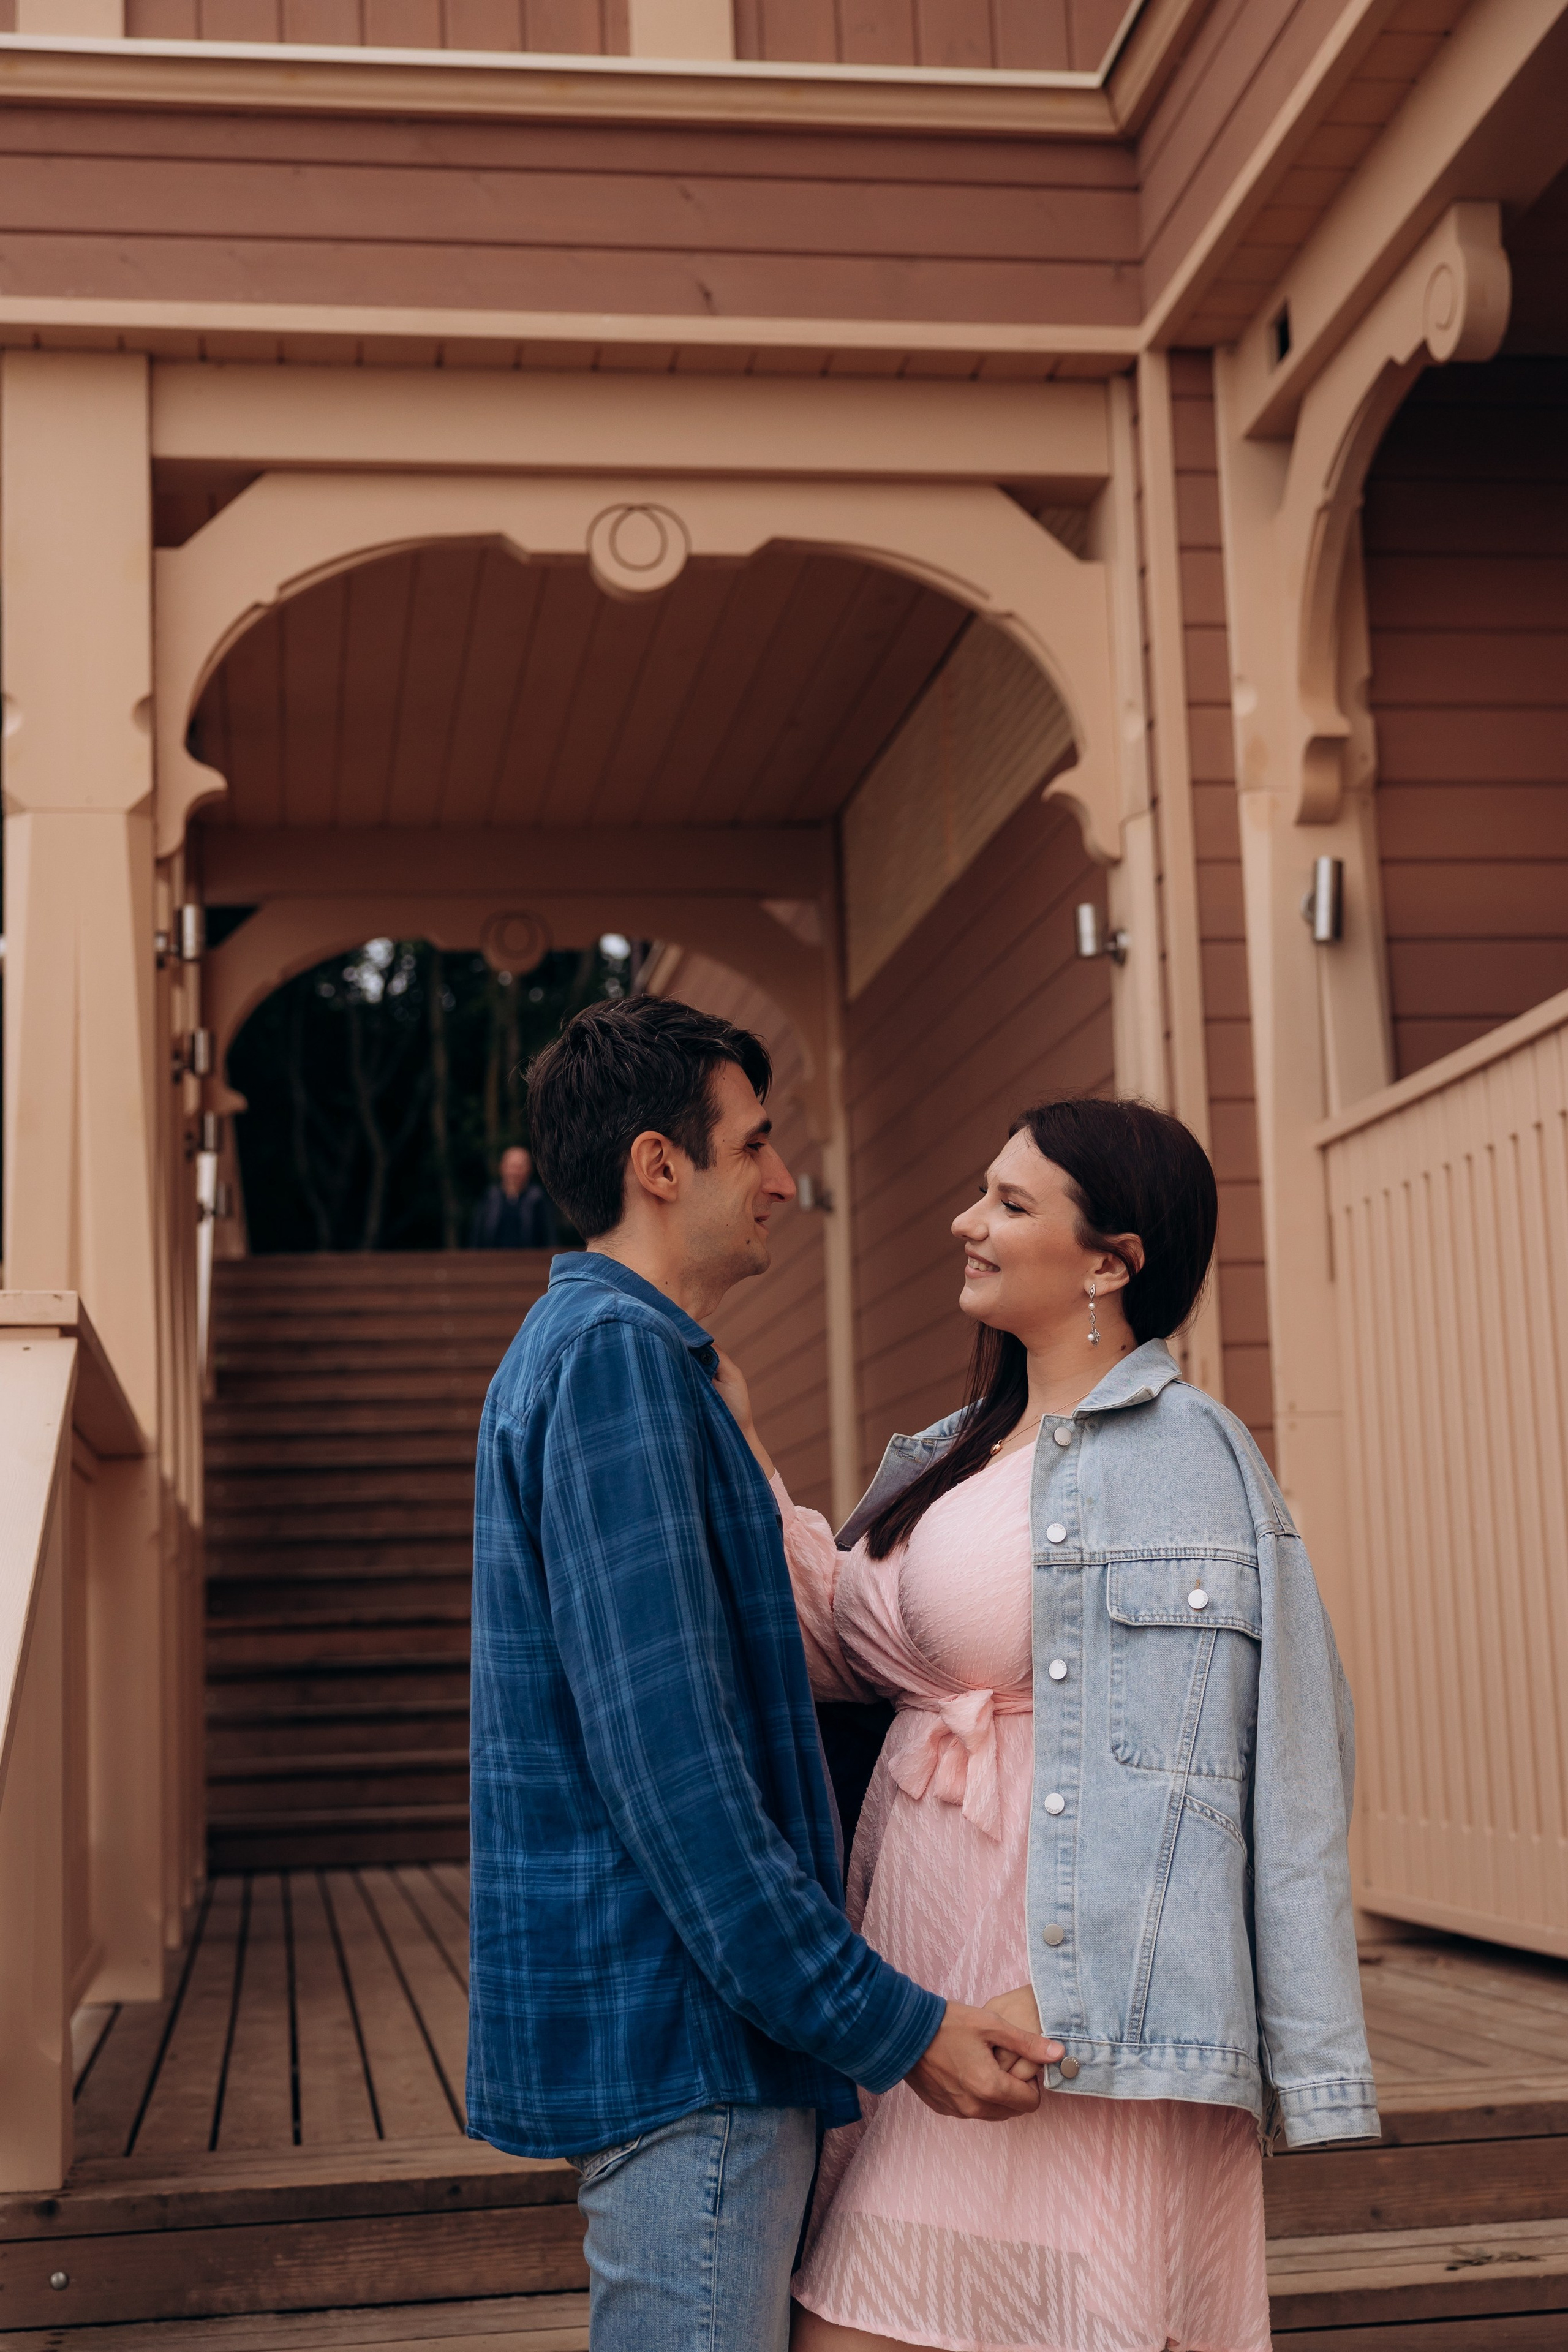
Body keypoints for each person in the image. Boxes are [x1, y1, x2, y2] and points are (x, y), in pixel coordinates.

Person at [715, 1096, 1379, 2352]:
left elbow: (1251, 1767)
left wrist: (1077, 1987)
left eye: (1010, 1203)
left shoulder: (1184, 1455)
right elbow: (837, 1644)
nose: (966, 1222)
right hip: (921, 1967)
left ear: (1108, 1264)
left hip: (1061, 1995)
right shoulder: (958, 1453)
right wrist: (739, 1435)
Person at [465, 997, 1054, 2352]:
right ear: (659, 1166)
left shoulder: (628, 1362)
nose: (785, 1180)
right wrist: (894, 2027)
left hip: (695, 2036)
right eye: (754, 1144)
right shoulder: (615, 1366)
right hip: (691, 2048)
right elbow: (679, 1781)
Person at [467, 1143, 556, 1250]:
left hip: (529, 1258)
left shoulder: (537, 1199)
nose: (515, 1172)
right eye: (512, 1167)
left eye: (520, 1167)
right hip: (492, 1258)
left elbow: (550, 1237)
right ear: (502, 1168)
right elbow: (477, 1236)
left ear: (529, 1169)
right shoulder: (490, 1197)